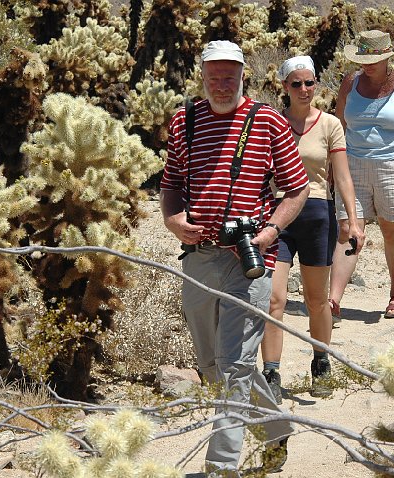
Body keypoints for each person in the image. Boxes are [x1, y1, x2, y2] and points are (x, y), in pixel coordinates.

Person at [160, 40, 310, 477]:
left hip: (250, 260)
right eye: (214, 76)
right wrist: (173, 219)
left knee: (234, 366)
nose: (221, 84)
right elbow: (171, 182)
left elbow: (297, 188)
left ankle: (222, 468)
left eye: (230, 76)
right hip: (199, 258)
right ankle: (277, 427)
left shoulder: (268, 122)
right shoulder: (185, 119)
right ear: (202, 76)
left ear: (244, 75)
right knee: (211, 366)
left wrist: (272, 230)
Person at [259, 56, 363, 403]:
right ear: (284, 88)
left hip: (319, 213)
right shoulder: (270, 122)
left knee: (317, 299)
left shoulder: (331, 124)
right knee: (274, 299)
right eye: (296, 84)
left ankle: (320, 361)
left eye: (310, 83)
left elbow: (342, 176)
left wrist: (352, 219)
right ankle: (271, 372)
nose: (304, 90)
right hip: (279, 215)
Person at [328, 29, 394, 320]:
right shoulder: (350, 82)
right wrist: (332, 164)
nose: (367, 65)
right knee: (348, 230)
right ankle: (333, 300)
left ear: (387, 58)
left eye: (373, 60)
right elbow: (338, 124)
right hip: (353, 164)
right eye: (362, 59)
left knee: (391, 231)